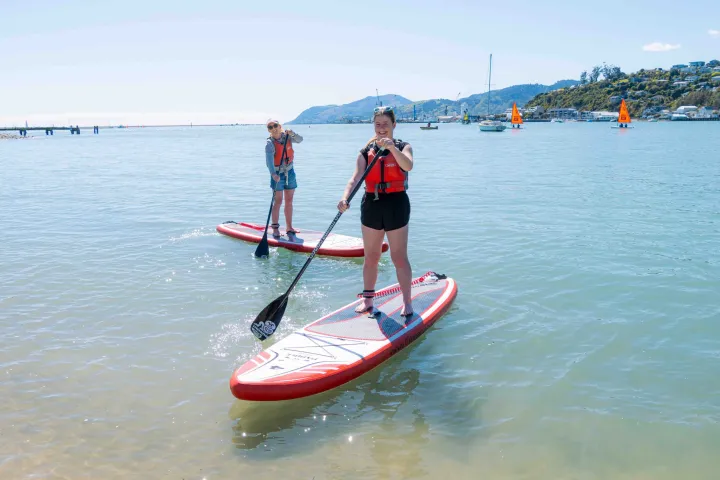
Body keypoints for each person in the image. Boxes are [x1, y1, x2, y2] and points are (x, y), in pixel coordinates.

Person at [337, 106, 414, 317]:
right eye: (378, 124)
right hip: (372, 204)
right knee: (371, 257)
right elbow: (354, 179)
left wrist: (392, 149)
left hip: (396, 204)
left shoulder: (403, 146)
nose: (381, 129)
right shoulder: (365, 152)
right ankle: (368, 300)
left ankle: (407, 303)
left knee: (399, 257)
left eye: (385, 125)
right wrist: (344, 197)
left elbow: (408, 166)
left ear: (393, 125)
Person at [265, 119, 303, 239]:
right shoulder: (269, 143)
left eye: (275, 125)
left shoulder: (288, 136)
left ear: (280, 126)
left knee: (289, 200)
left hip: (290, 172)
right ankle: (275, 228)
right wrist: (273, 174)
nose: (274, 128)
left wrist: (292, 133)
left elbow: (300, 140)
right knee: (278, 201)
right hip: (277, 174)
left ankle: (289, 228)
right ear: (269, 130)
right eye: (270, 127)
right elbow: (269, 162)